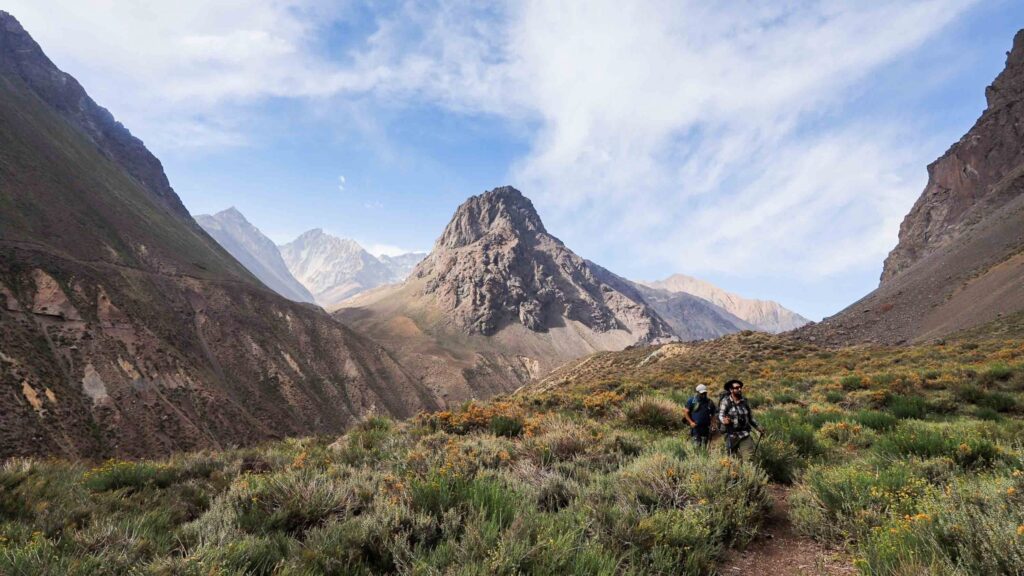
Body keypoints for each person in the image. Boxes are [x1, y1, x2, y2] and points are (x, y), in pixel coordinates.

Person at [718, 379, 762, 459]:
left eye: (740, 387)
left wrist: (758, 427)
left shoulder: (744, 401)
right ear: (731, 390)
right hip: (731, 435)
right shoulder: (725, 402)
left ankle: (748, 471)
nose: (739, 389)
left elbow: (750, 417)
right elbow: (721, 415)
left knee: (749, 458)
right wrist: (724, 420)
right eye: (737, 388)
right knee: (732, 458)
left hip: (744, 434)